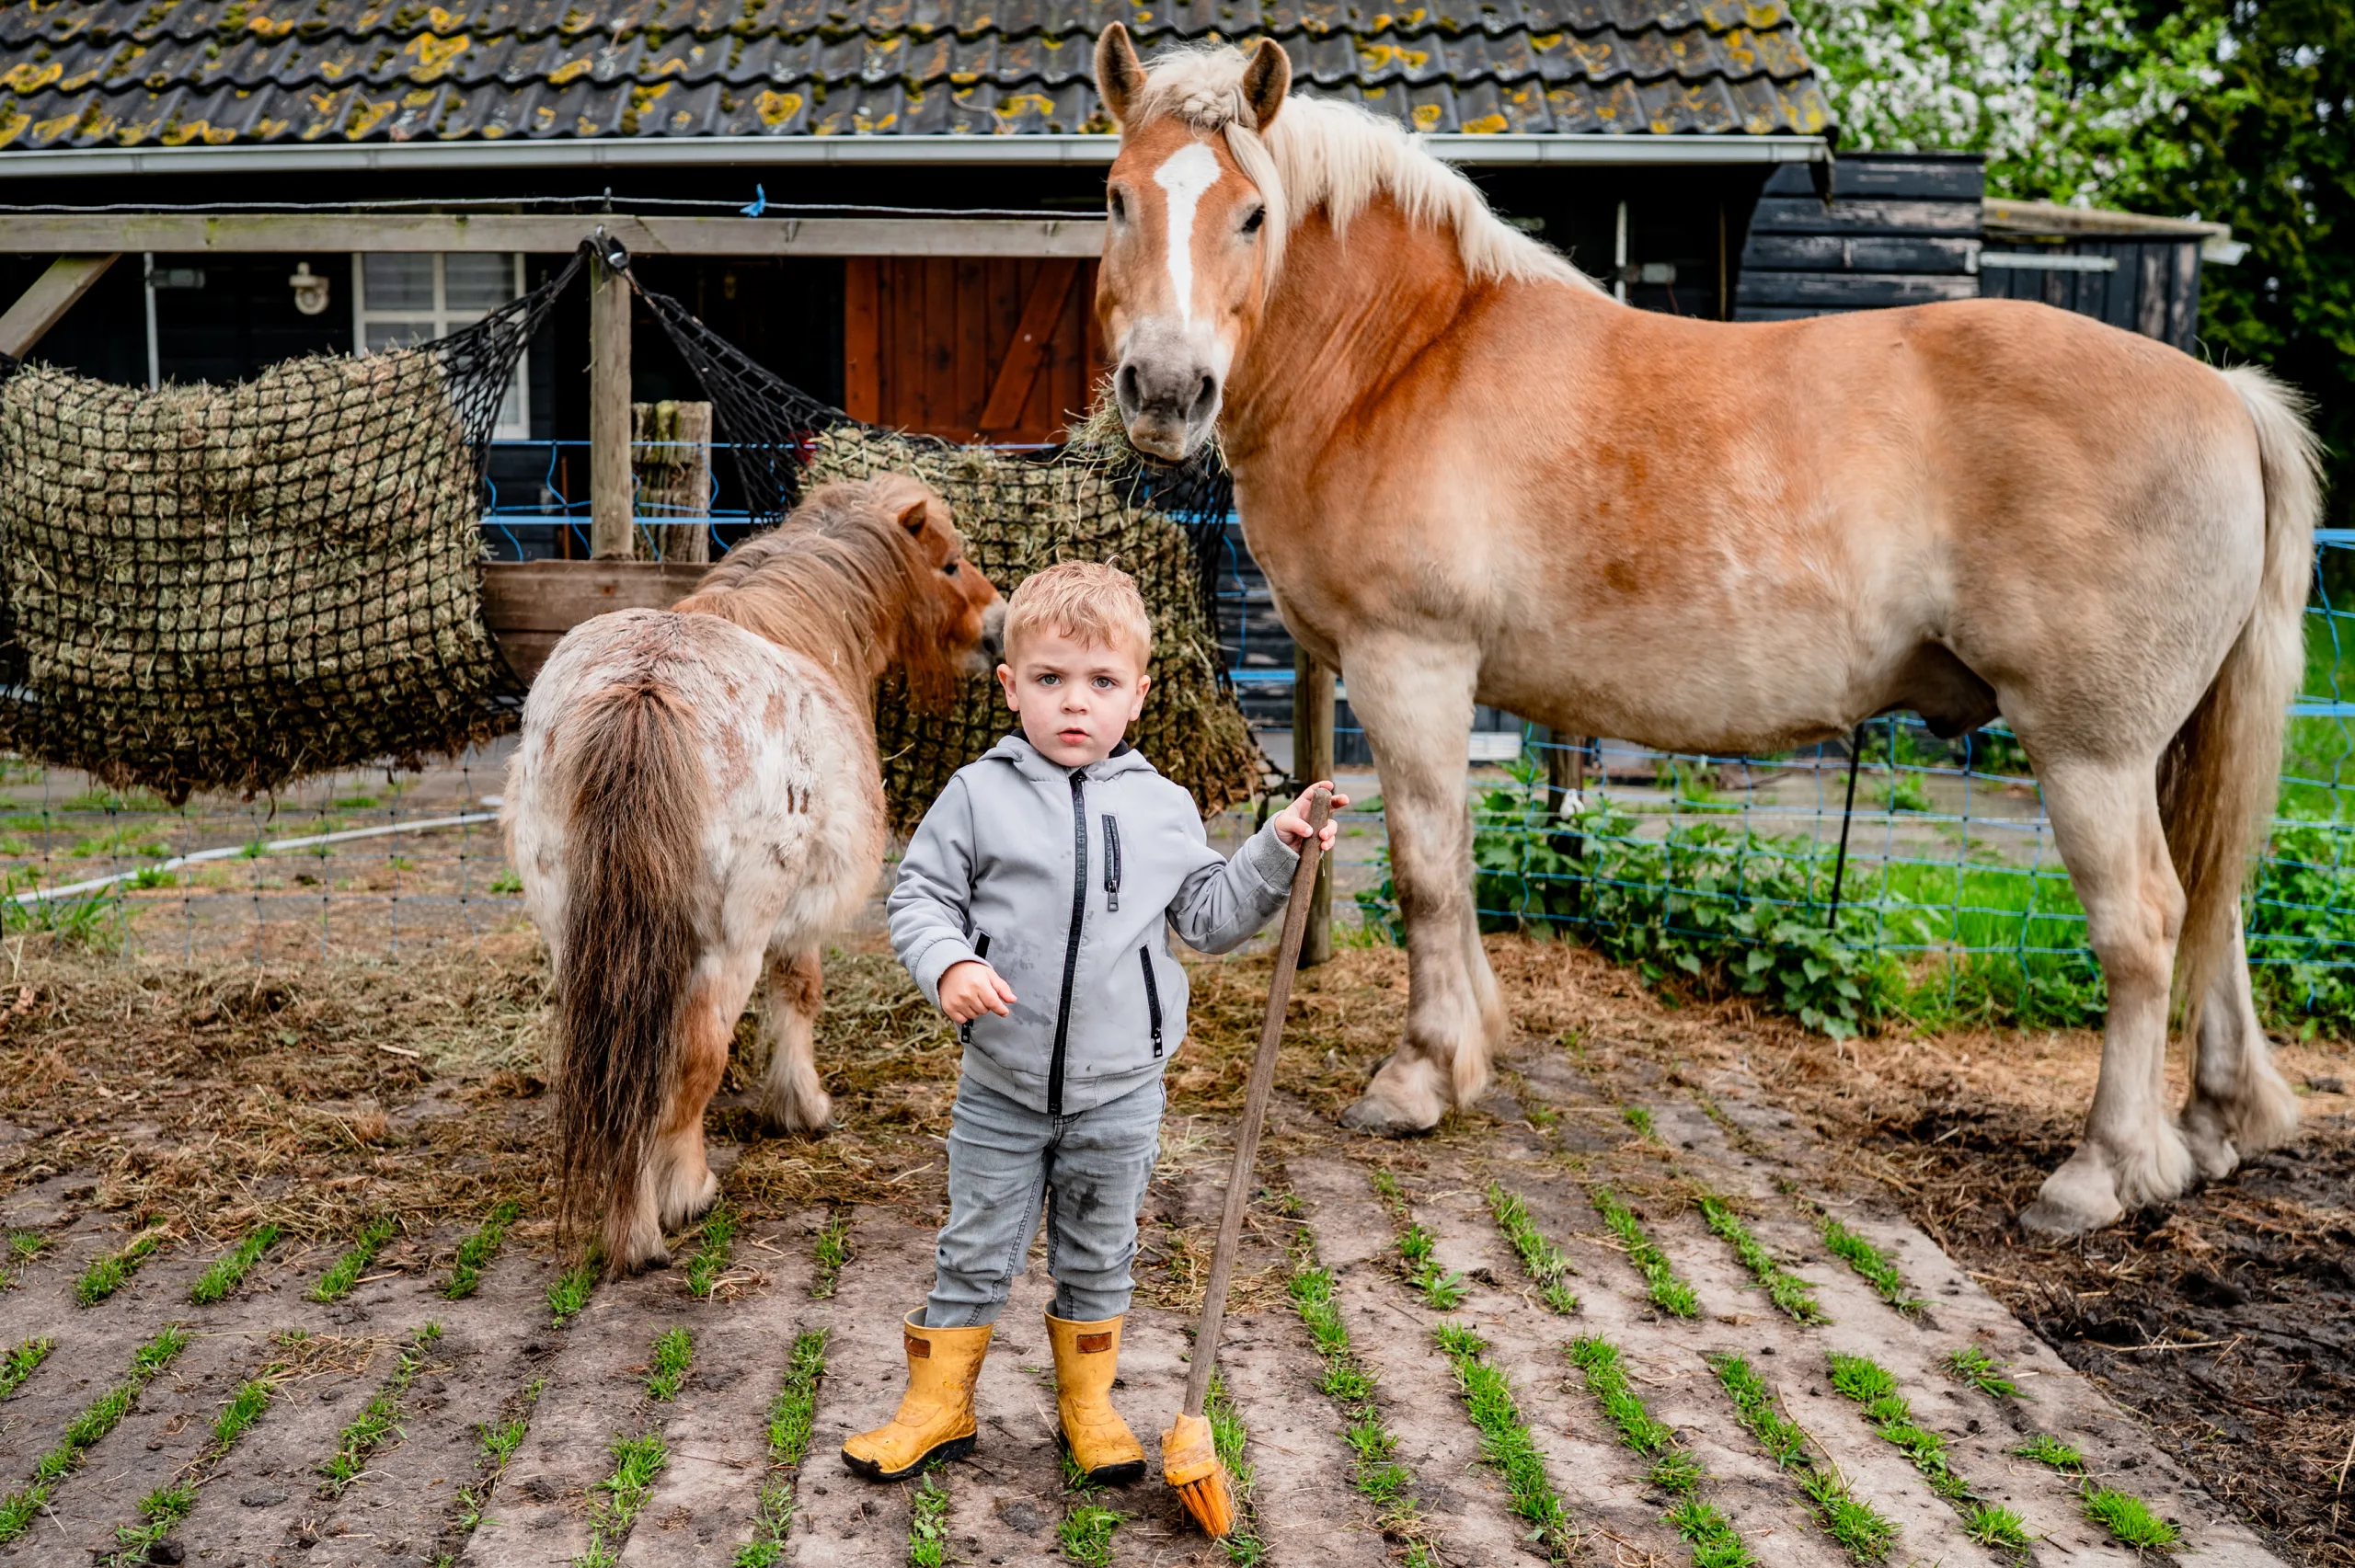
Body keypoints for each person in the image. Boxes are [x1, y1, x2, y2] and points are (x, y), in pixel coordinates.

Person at [844, 560, 1343, 1484]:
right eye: (1049, 679)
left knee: (1099, 1253)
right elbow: (918, 897)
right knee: (975, 1246)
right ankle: (937, 1404)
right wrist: (948, 961)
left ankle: (1088, 1404)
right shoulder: (977, 796)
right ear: (1010, 686)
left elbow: (1210, 916)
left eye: (1101, 682)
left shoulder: (1160, 808)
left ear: (1139, 695)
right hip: (1002, 1084)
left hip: (1120, 1094)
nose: (1075, 704)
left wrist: (1274, 848)